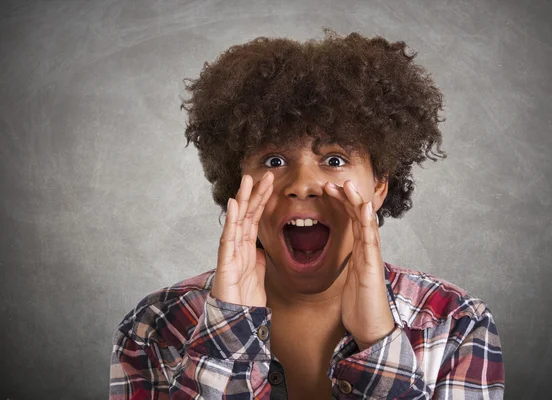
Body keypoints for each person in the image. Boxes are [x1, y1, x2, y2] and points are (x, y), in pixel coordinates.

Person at [109, 29, 504, 399]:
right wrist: (226, 338)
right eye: (275, 159)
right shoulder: (156, 326)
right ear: (237, 184)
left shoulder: (454, 323)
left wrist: (379, 342)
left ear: (379, 186)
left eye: (334, 159)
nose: (302, 183)